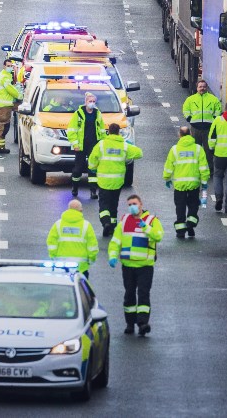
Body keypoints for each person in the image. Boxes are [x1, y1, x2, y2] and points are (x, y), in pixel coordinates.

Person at [108, 194, 163, 336]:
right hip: (127, 265)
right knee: (129, 294)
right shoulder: (124, 221)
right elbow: (115, 241)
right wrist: (113, 256)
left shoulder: (151, 220)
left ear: (141, 204)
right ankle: (130, 323)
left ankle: (143, 323)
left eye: (134, 203)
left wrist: (146, 228)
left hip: (145, 265)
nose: (132, 206)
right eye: (129, 204)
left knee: (143, 294)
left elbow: (158, 236)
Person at [88, 123, 143, 235]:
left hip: (104, 181)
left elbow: (92, 159)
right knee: (114, 204)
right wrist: (129, 146)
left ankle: (106, 222)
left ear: (108, 131)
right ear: (118, 132)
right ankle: (113, 225)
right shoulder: (124, 145)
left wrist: (93, 168)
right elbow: (139, 154)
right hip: (117, 181)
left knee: (104, 204)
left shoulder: (102, 144)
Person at [164, 125, 210, 239]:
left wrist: (167, 179)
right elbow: (203, 167)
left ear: (179, 135)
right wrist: (204, 182)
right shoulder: (198, 149)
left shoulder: (174, 150)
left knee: (180, 207)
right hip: (194, 184)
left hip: (179, 185)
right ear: (190, 134)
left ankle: (180, 231)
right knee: (193, 205)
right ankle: (191, 223)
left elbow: (169, 167)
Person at [67, 92, 107, 198]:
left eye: (94, 101)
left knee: (92, 168)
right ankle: (74, 188)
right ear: (85, 102)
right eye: (90, 101)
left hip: (93, 145)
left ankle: (93, 191)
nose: (92, 103)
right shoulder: (78, 114)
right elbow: (71, 130)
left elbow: (102, 130)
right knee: (78, 169)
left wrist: (103, 144)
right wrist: (75, 144)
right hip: (81, 146)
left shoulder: (97, 114)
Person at [46, 200, 99, 277]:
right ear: (81, 211)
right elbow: (92, 247)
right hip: (81, 268)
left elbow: (51, 242)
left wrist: (53, 257)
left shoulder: (58, 224)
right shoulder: (86, 225)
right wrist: (91, 260)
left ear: (68, 209)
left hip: (61, 266)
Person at [182, 78, 221, 175]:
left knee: (209, 150)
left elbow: (218, 109)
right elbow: (185, 109)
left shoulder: (213, 99)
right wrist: (189, 119)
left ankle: (209, 170)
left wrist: (214, 118)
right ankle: (195, 169)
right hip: (195, 128)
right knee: (195, 150)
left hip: (209, 128)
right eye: (200, 87)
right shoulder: (190, 99)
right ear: (197, 88)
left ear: (206, 87)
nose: (202, 88)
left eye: (204, 87)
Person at [0, 56, 23, 154]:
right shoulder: (4, 77)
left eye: (11, 66)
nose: (10, 67)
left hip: (7, 103)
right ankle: (0, 147)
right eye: (8, 66)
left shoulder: (6, 75)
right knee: (3, 126)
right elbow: (10, 89)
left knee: (5, 126)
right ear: (4, 66)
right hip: (4, 105)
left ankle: (1, 146)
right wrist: (19, 95)